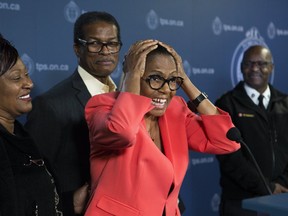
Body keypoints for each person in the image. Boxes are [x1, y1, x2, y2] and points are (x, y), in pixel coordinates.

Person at [84, 39, 240, 216]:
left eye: (172, 80)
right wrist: (132, 74)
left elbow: (227, 141)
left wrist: (185, 80)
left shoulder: (175, 110)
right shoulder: (102, 106)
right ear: (133, 76)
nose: (166, 89)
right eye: (155, 78)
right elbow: (123, 132)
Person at [24, 11, 122, 215]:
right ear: (78, 49)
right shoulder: (50, 105)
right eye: (95, 43)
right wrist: (69, 204)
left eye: (112, 43)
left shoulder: (127, 97)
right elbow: (31, 179)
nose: (106, 51)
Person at [215, 45, 288, 216]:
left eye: (262, 63)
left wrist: (281, 185)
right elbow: (230, 159)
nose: (255, 68)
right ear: (241, 67)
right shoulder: (226, 104)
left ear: (271, 67)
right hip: (241, 203)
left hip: (282, 198)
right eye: (248, 63)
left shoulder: (285, 103)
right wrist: (267, 187)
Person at [0, 35, 63, 215]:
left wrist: (72, 199)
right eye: (16, 78)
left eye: (26, 74)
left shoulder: (23, 137)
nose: (29, 83)